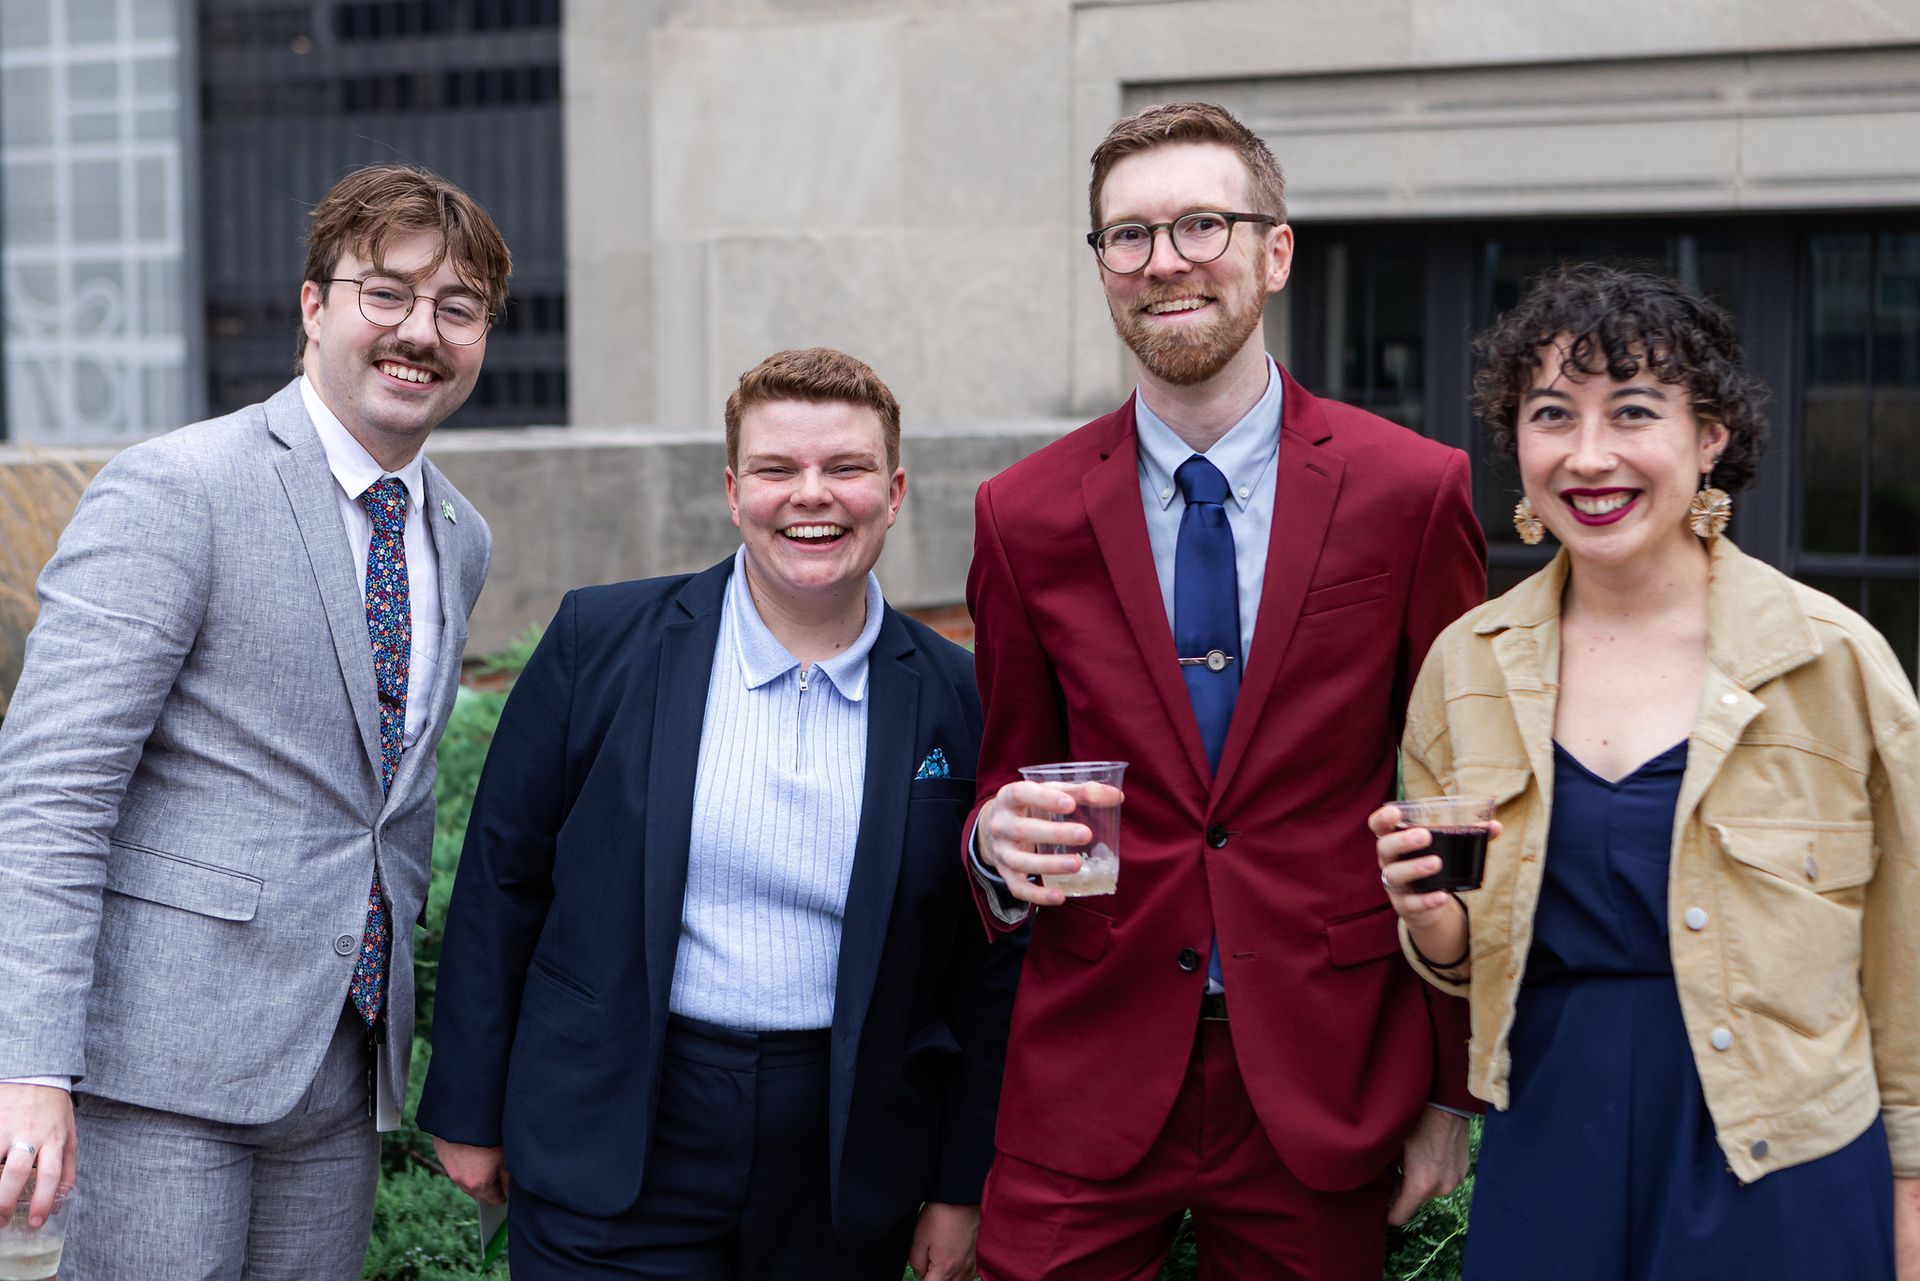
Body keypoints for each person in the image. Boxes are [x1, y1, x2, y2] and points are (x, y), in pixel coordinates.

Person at [966, 101, 1487, 1279]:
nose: (1167, 262)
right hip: (1087, 1066)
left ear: (1276, 250)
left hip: (1324, 1069)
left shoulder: (1413, 490)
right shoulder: (1024, 513)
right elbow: (1010, 776)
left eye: (1203, 223)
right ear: (1103, 267)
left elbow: (1462, 799)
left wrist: (1453, 1087)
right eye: (1129, 237)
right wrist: (997, 843)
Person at [418, 348, 1022, 1281]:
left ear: (894, 492)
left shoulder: (960, 694)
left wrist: (959, 1181)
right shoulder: (599, 642)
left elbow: (987, 963)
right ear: (736, 490)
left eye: (846, 469)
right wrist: (467, 1108)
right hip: (616, 1126)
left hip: (842, 1152)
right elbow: (503, 877)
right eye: (778, 469)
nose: (810, 496)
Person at [0, 164, 506, 1278]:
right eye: (387, 294)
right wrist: (28, 1068)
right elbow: (52, 794)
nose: (421, 332)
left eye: (457, 309)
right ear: (313, 305)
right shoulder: (178, 489)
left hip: (336, 1073)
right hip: (154, 1076)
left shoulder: (457, 532)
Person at [1374, 263, 1920, 1279]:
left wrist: (1915, 1194)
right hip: (1551, 1143)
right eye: (1551, 416)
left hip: (1786, 1157)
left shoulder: (1833, 661)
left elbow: (1909, 955)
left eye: (1633, 412)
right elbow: (1461, 951)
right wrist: (1430, 921)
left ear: (1710, 437)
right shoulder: (1468, 665)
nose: (1588, 456)